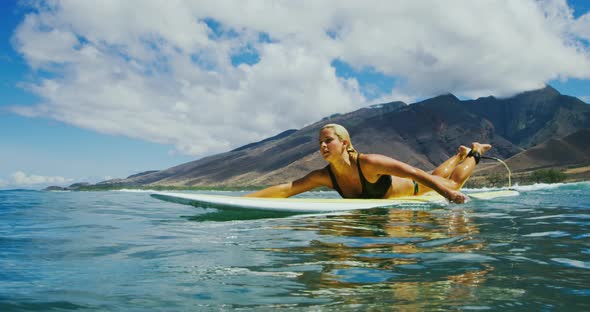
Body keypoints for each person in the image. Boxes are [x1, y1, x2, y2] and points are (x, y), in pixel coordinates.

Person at [245, 123, 491, 203]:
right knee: (437, 173)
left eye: (328, 141)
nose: (322, 146)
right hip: (416, 181)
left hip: (416, 186)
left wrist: (447, 193)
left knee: (453, 180)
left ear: (344, 143)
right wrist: (245, 201)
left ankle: (475, 152)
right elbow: (288, 188)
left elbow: (414, 172)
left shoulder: (370, 163)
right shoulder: (325, 176)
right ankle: (459, 155)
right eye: (319, 142)